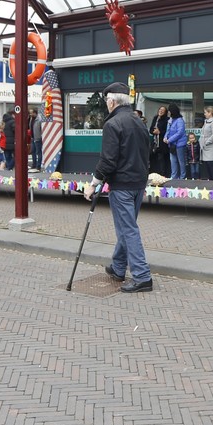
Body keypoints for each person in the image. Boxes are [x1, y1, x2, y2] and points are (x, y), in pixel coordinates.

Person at [86, 82, 153, 293]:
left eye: (107, 100)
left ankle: (142, 276)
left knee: (128, 229)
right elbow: (147, 151)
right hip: (138, 183)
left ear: (112, 101)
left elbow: (108, 160)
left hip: (122, 185)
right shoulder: (139, 122)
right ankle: (118, 266)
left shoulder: (113, 124)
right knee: (127, 226)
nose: (107, 104)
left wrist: (93, 184)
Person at [164, 104, 187, 180]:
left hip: (180, 144)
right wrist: (165, 137)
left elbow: (179, 133)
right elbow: (168, 130)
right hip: (172, 144)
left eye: (169, 111)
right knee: (173, 161)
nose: (168, 112)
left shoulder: (180, 120)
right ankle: (174, 177)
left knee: (181, 161)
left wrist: (169, 140)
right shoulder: (170, 120)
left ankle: (182, 177)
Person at [199, 106, 213, 181]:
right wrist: (201, 141)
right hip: (205, 146)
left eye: (205, 112)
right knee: (207, 164)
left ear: (210, 113)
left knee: (211, 164)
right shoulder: (206, 121)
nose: (204, 114)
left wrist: (207, 142)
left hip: (211, 146)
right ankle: (210, 181)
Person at [149, 105, 170, 175]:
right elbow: (151, 129)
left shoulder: (167, 119)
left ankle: (163, 173)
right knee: (154, 157)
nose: (161, 111)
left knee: (162, 158)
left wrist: (160, 132)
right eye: (160, 110)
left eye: (163, 110)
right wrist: (153, 131)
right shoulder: (155, 118)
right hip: (155, 142)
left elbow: (168, 131)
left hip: (162, 142)